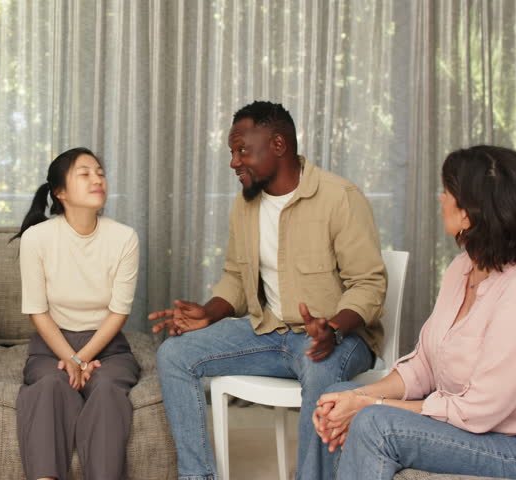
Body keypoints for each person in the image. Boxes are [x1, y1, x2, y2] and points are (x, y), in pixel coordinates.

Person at [150, 101, 387, 480]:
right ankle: (196, 476)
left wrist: (333, 328)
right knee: (174, 354)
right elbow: (236, 276)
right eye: (232, 152)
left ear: (278, 144)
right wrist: (209, 313)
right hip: (270, 331)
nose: (234, 162)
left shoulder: (339, 196)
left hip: (338, 338)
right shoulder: (246, 204)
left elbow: (368, 284)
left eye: (242, 150)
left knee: (319, 366)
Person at [310, 145, 516, 479]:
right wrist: (355, 396)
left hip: (515, 447)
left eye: (448, 192)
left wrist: (371, 405)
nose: (441, 198)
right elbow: (425, 365)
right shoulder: (462, 268)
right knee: (334, 397)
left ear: (469, 214)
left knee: (374, 422)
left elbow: (478, 411)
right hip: (471, 424)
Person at [13, 147, 140, 480]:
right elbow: (37, 311)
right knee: (49, 387)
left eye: (100, 173)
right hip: (51, 346)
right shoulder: (36, 238)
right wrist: (69, 358)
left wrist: (81, 359)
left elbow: (119, 312)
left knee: (107, 388)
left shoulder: (124, 238)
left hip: (108, 348)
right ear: (60, 192)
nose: (97, 179)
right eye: (84, 174)